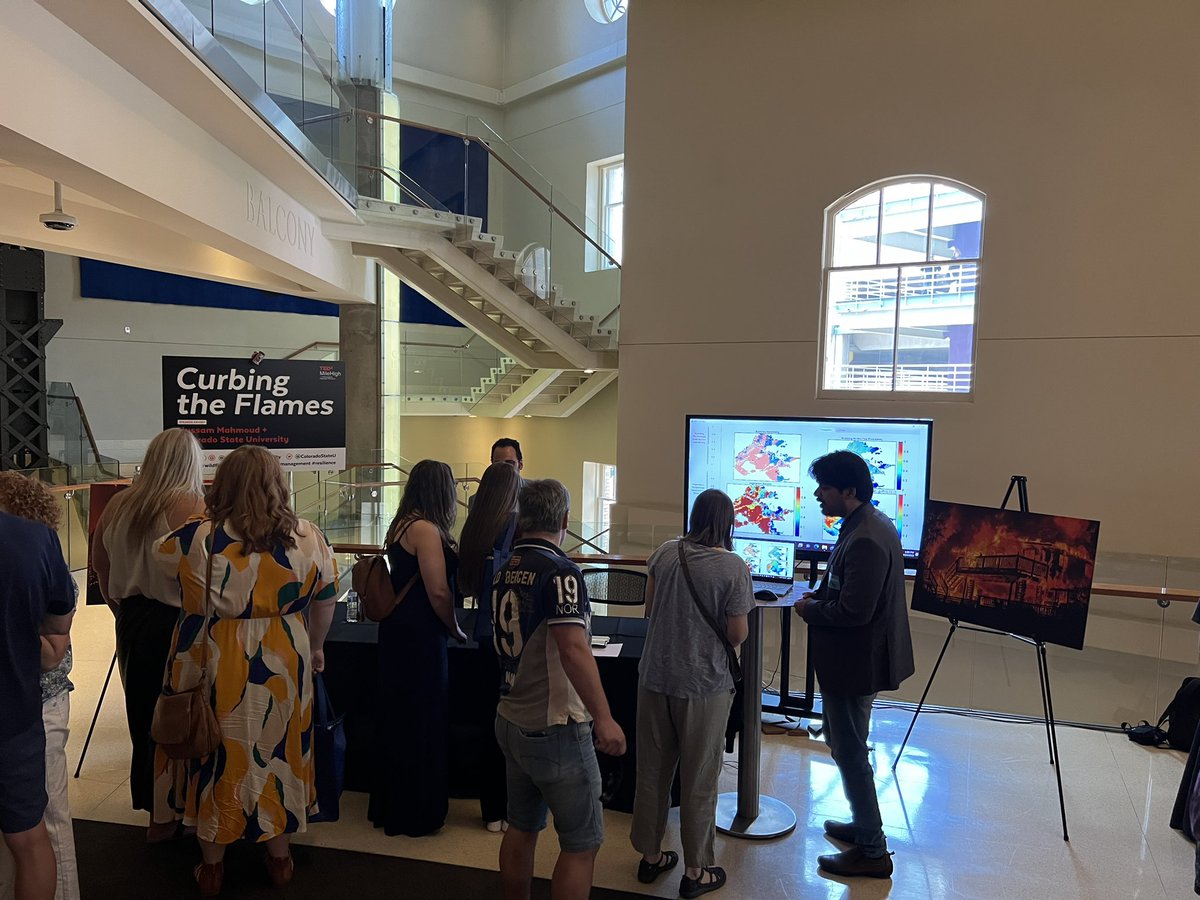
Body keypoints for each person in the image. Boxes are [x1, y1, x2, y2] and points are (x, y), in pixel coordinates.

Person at [155, 445, 338, 896]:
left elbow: (167, 578)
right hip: (285, 653)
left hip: (213, 654)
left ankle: (213, 866)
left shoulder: (196, 537)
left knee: (215, 750)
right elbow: (326, 596)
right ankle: (280, 858)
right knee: (280, 753)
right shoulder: (308, 536)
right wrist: (315, 648)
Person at [493, 479, 626, 900]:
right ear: (565, 520)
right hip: (556, 727)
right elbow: (573, 648)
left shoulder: (506, 565)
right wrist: (604, 718)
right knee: (582, 843)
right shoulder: (561, 571)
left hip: (512, 716)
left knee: (522, 826)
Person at [794, 450, 914, 879]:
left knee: (849, 752)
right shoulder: (868, 524)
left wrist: (810, 610)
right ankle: (863, 825)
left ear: (849, 490)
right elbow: (847, 593)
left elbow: (854, 612)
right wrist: (820, 597)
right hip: (856, 660)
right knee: (848, 747)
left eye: (823, 488)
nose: (816, 495)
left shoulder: (865, 537)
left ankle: (871, 849)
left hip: (854, 662)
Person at [630, 489, 753, 899]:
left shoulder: (665, 553)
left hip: (654, 680)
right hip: (703, 687)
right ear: (728, 523)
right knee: (699, 779)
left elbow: (649, 610)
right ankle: (696, 871)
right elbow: (736, 634)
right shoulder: (733, 567)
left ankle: (650, 858)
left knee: (652, 772)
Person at [91, 427, 206, 841]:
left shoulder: (120, 503)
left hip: (133, 619)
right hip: (178, 625)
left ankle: (155, 815)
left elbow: (99, 566)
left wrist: (120, 608)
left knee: (143, 716)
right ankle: (184, 806)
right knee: (185, 717)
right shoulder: (192, 506)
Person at [368, 459, 468, 838]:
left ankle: (392, 803)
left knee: (398, 717)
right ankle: (418, 810)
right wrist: (454, 627)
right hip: (421, 636)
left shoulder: (401, 524)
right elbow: (438, 590)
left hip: (396, 633)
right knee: (424, 718)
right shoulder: (426, 529)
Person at [0, 473, 80, 900]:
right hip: (18, 713)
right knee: (37, 835)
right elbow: (52, 646)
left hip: (26, 711)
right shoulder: (34, 544)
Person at [457, 461, 522, 832]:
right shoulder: (515, 527)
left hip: (482, 636)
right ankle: (513, 808)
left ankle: (491, 810)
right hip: (512, 639)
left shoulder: (475, 528)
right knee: (515, 726)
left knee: (487, 724)